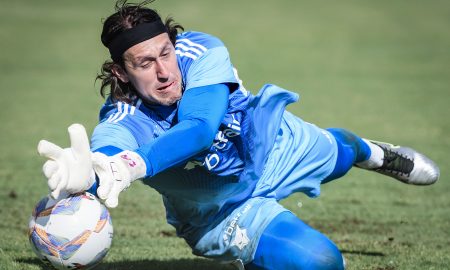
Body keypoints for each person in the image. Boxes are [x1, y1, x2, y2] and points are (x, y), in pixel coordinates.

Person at [37, 1, 440, 269]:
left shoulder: (202, 51)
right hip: (218, 210)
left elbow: (199, 129)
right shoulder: (120, 120)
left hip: (275, 146)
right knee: (320, 261)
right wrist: (90, 174)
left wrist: (131, 163)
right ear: (121, 73)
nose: (164, 71)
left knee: (344, 152)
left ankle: (377, 154)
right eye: (145, 63)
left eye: (165, 53)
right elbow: (107, 155)